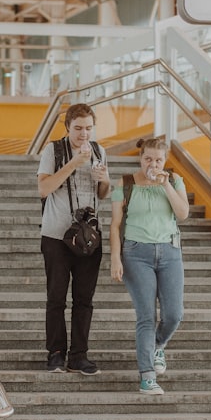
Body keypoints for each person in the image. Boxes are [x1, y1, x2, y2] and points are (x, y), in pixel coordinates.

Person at [109, 136, 190, 395]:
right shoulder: (125, 183)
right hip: (136, 254)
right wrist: (115, 257)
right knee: (146, 316)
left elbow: (182, 214)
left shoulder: (175, 181)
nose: (152, 164)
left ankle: (157, 346)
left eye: (158, 160)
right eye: (148, 159)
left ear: (164, 161)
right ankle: (147, 376)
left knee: (174, 314)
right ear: (140, 159)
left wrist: (166, 185)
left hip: (170, 252)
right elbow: (114, 225)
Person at [37, 103, 111, 375]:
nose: (83, 134)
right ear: (68, 127)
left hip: (89, 236)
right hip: (57, 234)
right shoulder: (53, 150)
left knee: (84, 299)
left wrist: (103, 180)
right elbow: (44, 188)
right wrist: (73, 163)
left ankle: (79, 355)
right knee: (56, 296)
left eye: (88, 128)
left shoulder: (100, 151)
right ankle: (56, 353)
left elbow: (103, 194)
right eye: (78, 128)